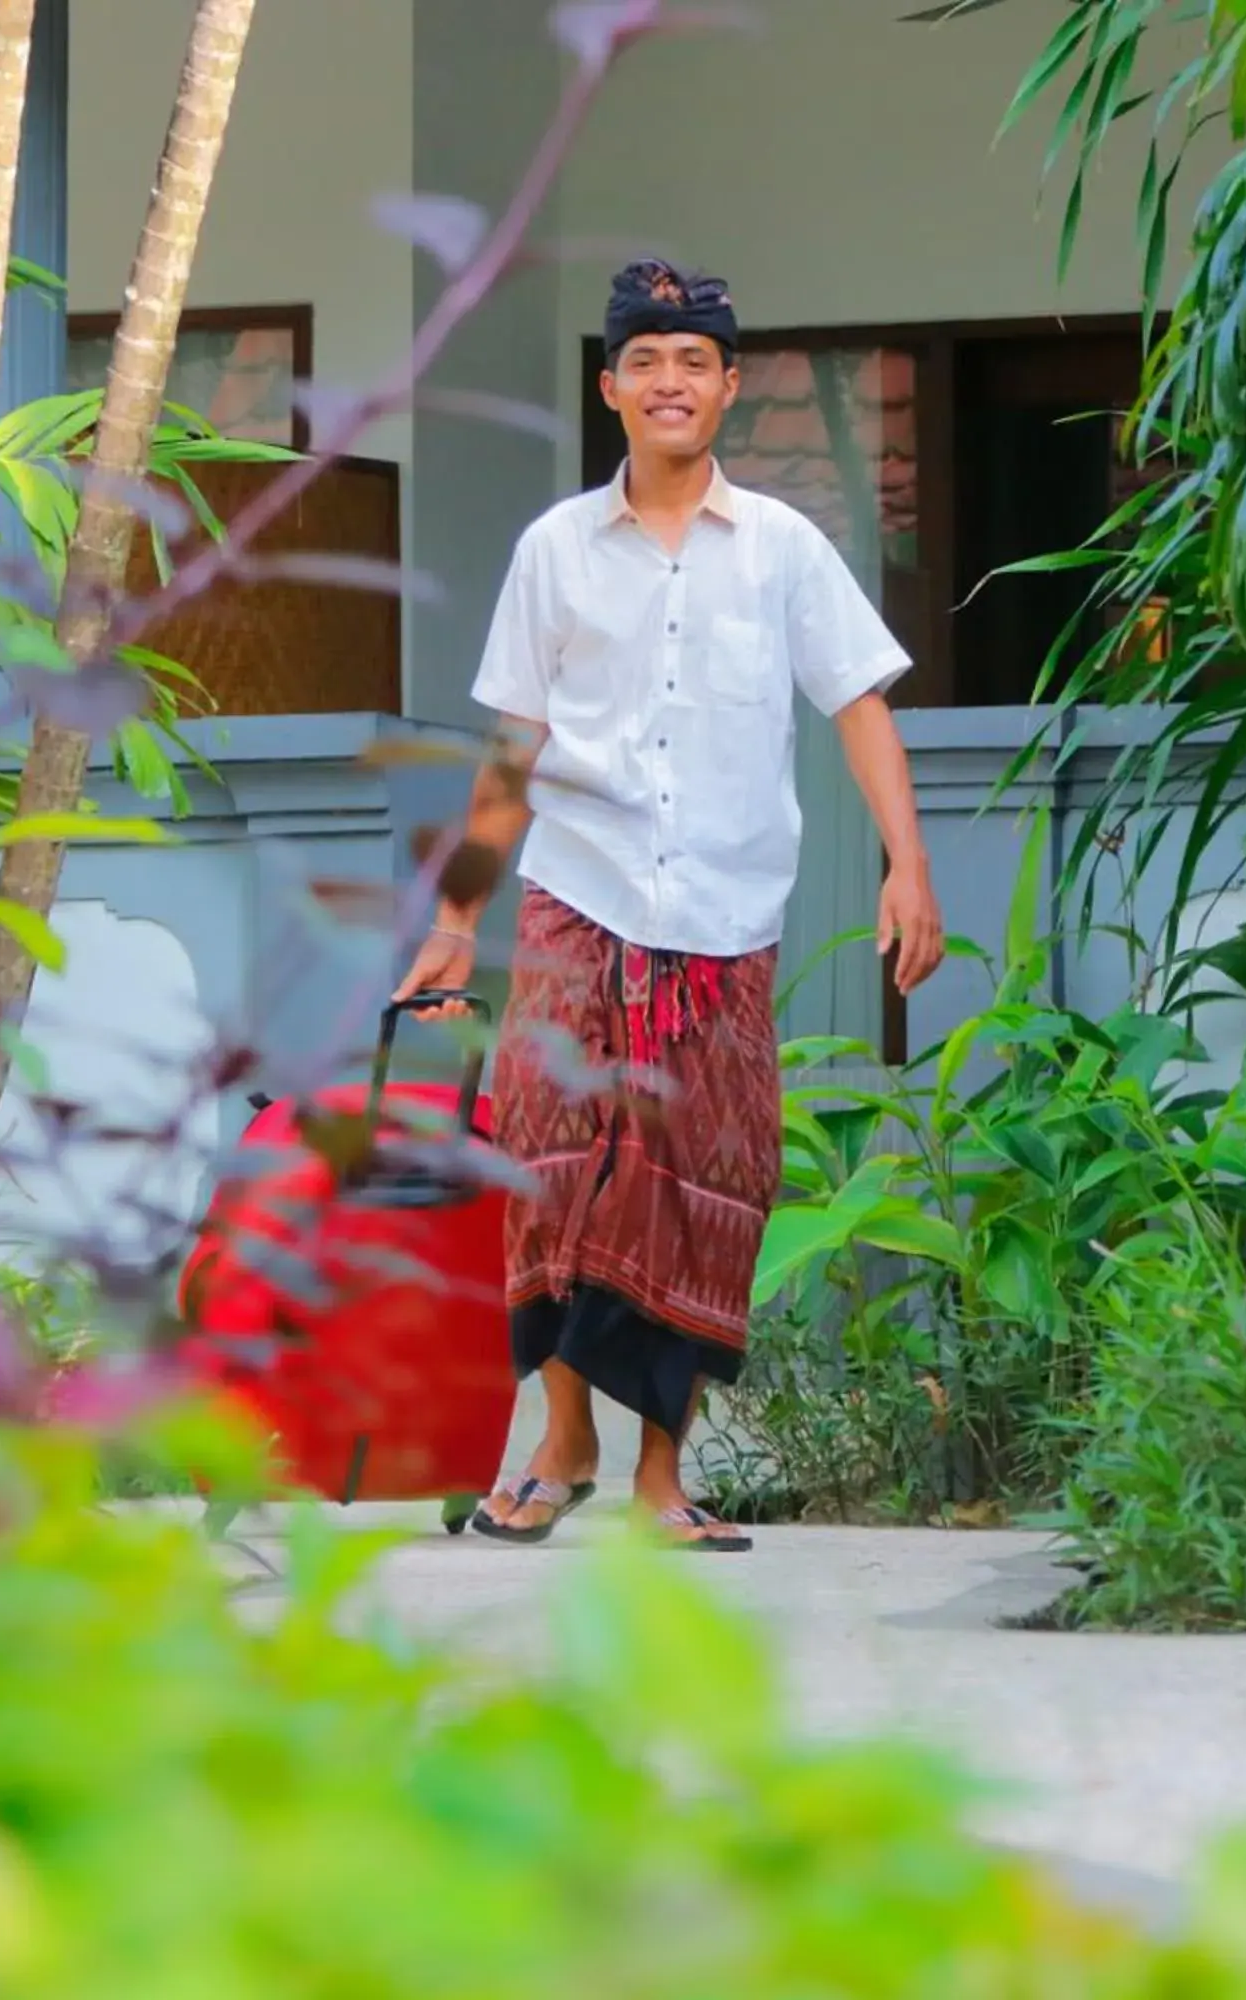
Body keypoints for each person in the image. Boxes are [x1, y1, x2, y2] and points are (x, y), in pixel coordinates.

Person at [392, 258, 943, 1550]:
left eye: (694, 360)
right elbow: (513, 748)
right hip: (578, 899)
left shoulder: (786, 554)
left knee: (699, 1187)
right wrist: (458, 922)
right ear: (611, 388)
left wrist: (905, 865)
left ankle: (661, 1478)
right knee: (556, 1171)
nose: (670, 381)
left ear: (730, 388)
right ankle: (564, 1438)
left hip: (721, 920)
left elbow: (861, 707)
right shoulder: (555, 551)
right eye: (646, 359)